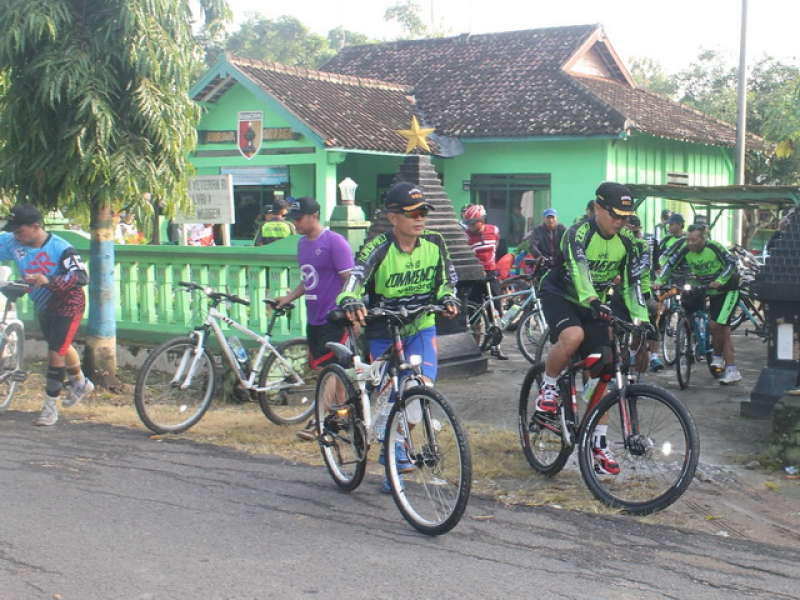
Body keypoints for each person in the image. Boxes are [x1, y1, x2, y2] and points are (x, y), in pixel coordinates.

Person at [337, 182, 459, 492]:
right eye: (412, 214)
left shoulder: (435, 242)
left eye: (423, 213)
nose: (420, 219)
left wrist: (448, 297)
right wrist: (350, 299)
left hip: (421, 326)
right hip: (383, 329)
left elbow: (447, 280)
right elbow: (356, 276)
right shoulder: (378, 246)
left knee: (420, 388)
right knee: (390, 398)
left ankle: (395, 447)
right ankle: (390, 450)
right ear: (393, 217)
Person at [537, 182, 648, 475]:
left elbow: (632, 283)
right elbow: (579, 269)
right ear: (598, 208)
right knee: (574, 336)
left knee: (604, 372)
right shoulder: (578, 233)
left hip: (595, 303)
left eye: (626, 217)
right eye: (615, 215)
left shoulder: (627, 242)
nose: (620, 222)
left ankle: (597, 444)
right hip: (561, 294)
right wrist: (593, 300)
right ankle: (549, 385)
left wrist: (643, 319)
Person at [0, 204, 94, 426]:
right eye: (13, 231)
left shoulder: (61, 248)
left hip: (67, 303)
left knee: (55, 353)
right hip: (42, 304)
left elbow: (81, 277)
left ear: (35, 227)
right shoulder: (13, 242)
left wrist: (49, 280)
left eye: (20, 231)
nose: (16, 236)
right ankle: (80, 382)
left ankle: (50, 408)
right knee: (59, 345)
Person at [274, 197, 355, 441]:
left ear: (314, 216)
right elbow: (308, 280)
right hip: (314, 318)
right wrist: (289, 297)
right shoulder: (302, 245)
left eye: (299, 219)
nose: (296, 223)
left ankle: (319, 421)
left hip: (335, 318)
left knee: (331, 370)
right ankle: (341, 416)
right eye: (293, 219)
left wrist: (350, 312)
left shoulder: (334, 242)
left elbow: (350, 279)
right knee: (330, 371)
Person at [656, 225, 742, 385]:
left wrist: (720, 280)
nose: (690, 243)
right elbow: (670, 264)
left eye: (694, 240)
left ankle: (720, 359)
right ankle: (702, 347)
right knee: (712, 325)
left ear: (704, 239)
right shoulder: (685, 249)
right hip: (707, 290)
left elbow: (732, 263)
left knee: (718, 326)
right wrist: (659, 281)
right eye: (688, 239)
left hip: (727, 290)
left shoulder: (714, 247)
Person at [463, 203, 508, 360]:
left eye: (472, 223)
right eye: (468, 223)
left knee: (495, 311)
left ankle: (496, 346)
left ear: (481, 220)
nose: (470, 226)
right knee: (475, 312)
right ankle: (475, 346)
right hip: (475, 276)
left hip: (491, 274)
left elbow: (497, 247)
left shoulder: (494, 231)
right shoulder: (466, 236)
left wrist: (493, 266)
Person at [625, 215, 664, 372]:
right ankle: (630, 353)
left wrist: (627, 276)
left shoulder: (644, 244)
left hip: (643, 291)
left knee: (651, 324)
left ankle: (654, 356)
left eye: (635, 232)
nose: (634, 235)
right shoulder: (619, 242)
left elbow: (646, 266)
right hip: (624, 292)